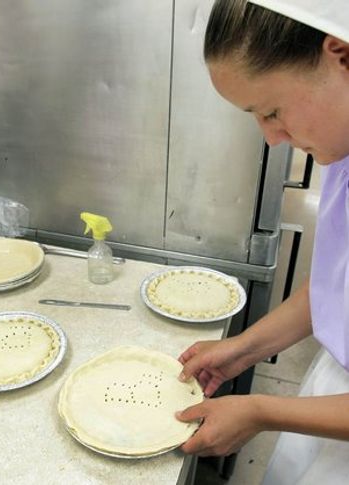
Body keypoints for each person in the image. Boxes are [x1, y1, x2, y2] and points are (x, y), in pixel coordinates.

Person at [174, 1, 349, 483]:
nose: (272, 138)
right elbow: (335, 290)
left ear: (341, 54)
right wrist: (243, 350)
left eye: (272, 111)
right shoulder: (343, 153)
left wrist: (261, 411)